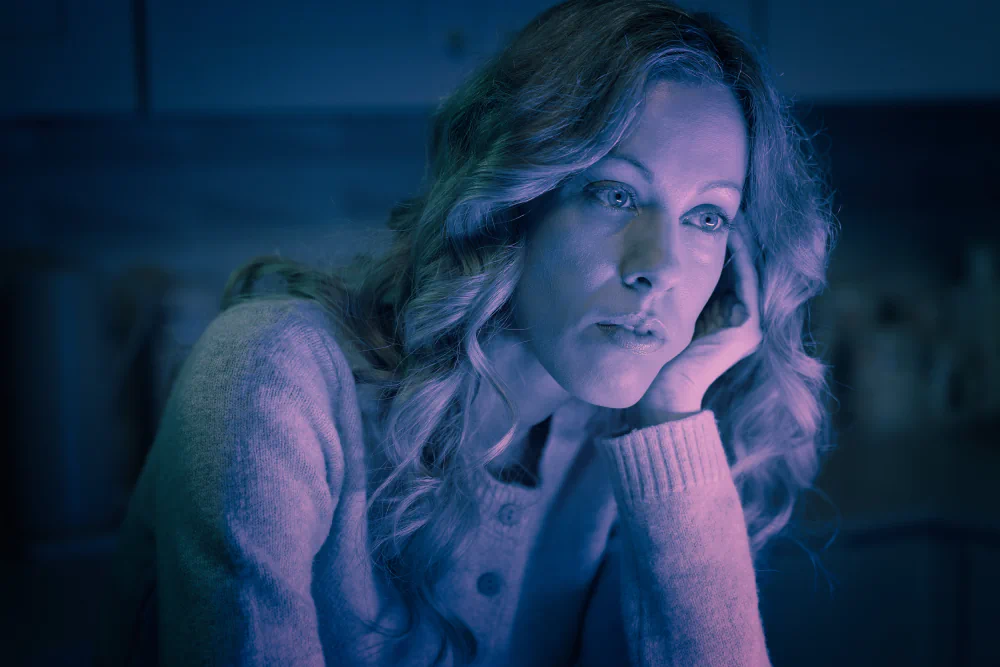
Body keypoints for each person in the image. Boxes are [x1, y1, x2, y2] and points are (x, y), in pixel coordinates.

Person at [95, 0, 839, 664]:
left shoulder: (628, 435)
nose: (661, 268)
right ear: (514, 194)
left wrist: (670, 415)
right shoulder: (272, 375)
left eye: (707, 216)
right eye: (614, 193)